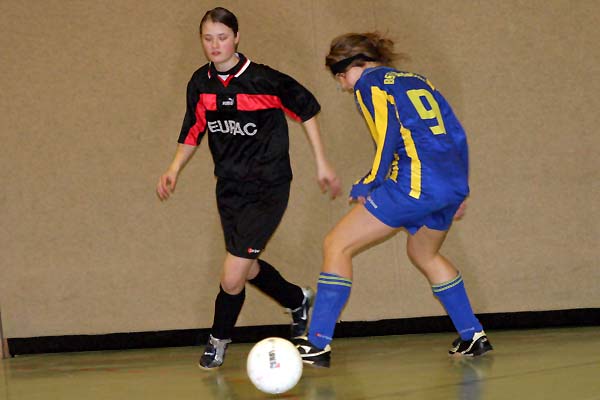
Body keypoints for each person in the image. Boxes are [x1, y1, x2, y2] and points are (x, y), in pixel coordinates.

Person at [156, 7, 341, 370]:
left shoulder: (264, 80)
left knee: (231, 275)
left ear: (237, 38)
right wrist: (173, 168)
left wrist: (322, 162)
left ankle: (218, 340)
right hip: (229, 189)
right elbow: (193, 128)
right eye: (208, 39)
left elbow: (307, 109)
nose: (215, 45)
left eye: (222, 37)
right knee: (246, 267)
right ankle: (297, 299)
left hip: (268, 187)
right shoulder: (201, 83)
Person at [295, 32, 493, 367]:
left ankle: (317, 343)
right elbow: (454, 133)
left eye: (340, 76)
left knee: (336, 245)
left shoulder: (369, 84)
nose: (343, 85)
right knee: (423, 252)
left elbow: (386, 134)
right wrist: (460, 188)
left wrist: (369, 182)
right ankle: (472, 334)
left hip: (414, 183)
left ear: (355, 65)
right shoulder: (417, 80)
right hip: (446, 184)